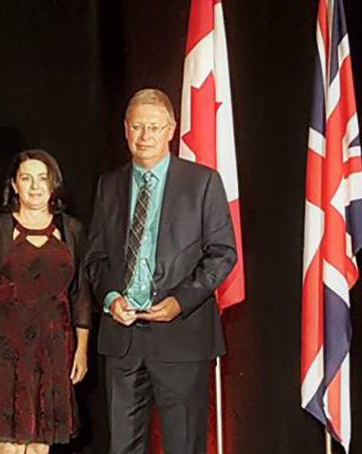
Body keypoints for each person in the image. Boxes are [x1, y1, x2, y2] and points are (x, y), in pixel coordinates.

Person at [84, 88, 237, 454]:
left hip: (181, 337)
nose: (145, 136)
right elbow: (94, 258)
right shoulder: (109, 185)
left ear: (171, 129)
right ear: (125, 129)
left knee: (184, 445)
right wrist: (109, 298)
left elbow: (222, 254)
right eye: (137, 127)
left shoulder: (203, 182)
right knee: (122, 446)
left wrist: (179, 302)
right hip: (122, 341)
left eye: (153, 127)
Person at [0, 149, 92, 454]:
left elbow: (81, 294)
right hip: (4, 346)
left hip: (53, 347)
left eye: (43, 178)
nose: (35, 187)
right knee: (9, 446)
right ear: (14, 184)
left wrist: (81, 350)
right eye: (26, 178)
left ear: (53, 185)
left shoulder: (71, 230)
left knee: (39, 446)